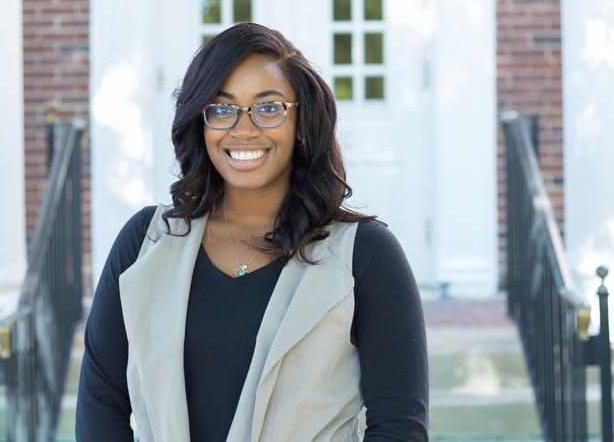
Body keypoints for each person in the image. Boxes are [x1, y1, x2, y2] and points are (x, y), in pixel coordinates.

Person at [75, 22, 428, 441]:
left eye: (269, 107)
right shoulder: (145, 243)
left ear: (302, 123)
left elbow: (398, 426)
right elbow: (101, 404)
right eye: (222, 108)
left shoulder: (365, 255)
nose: (243, 129)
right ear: (200, 122)